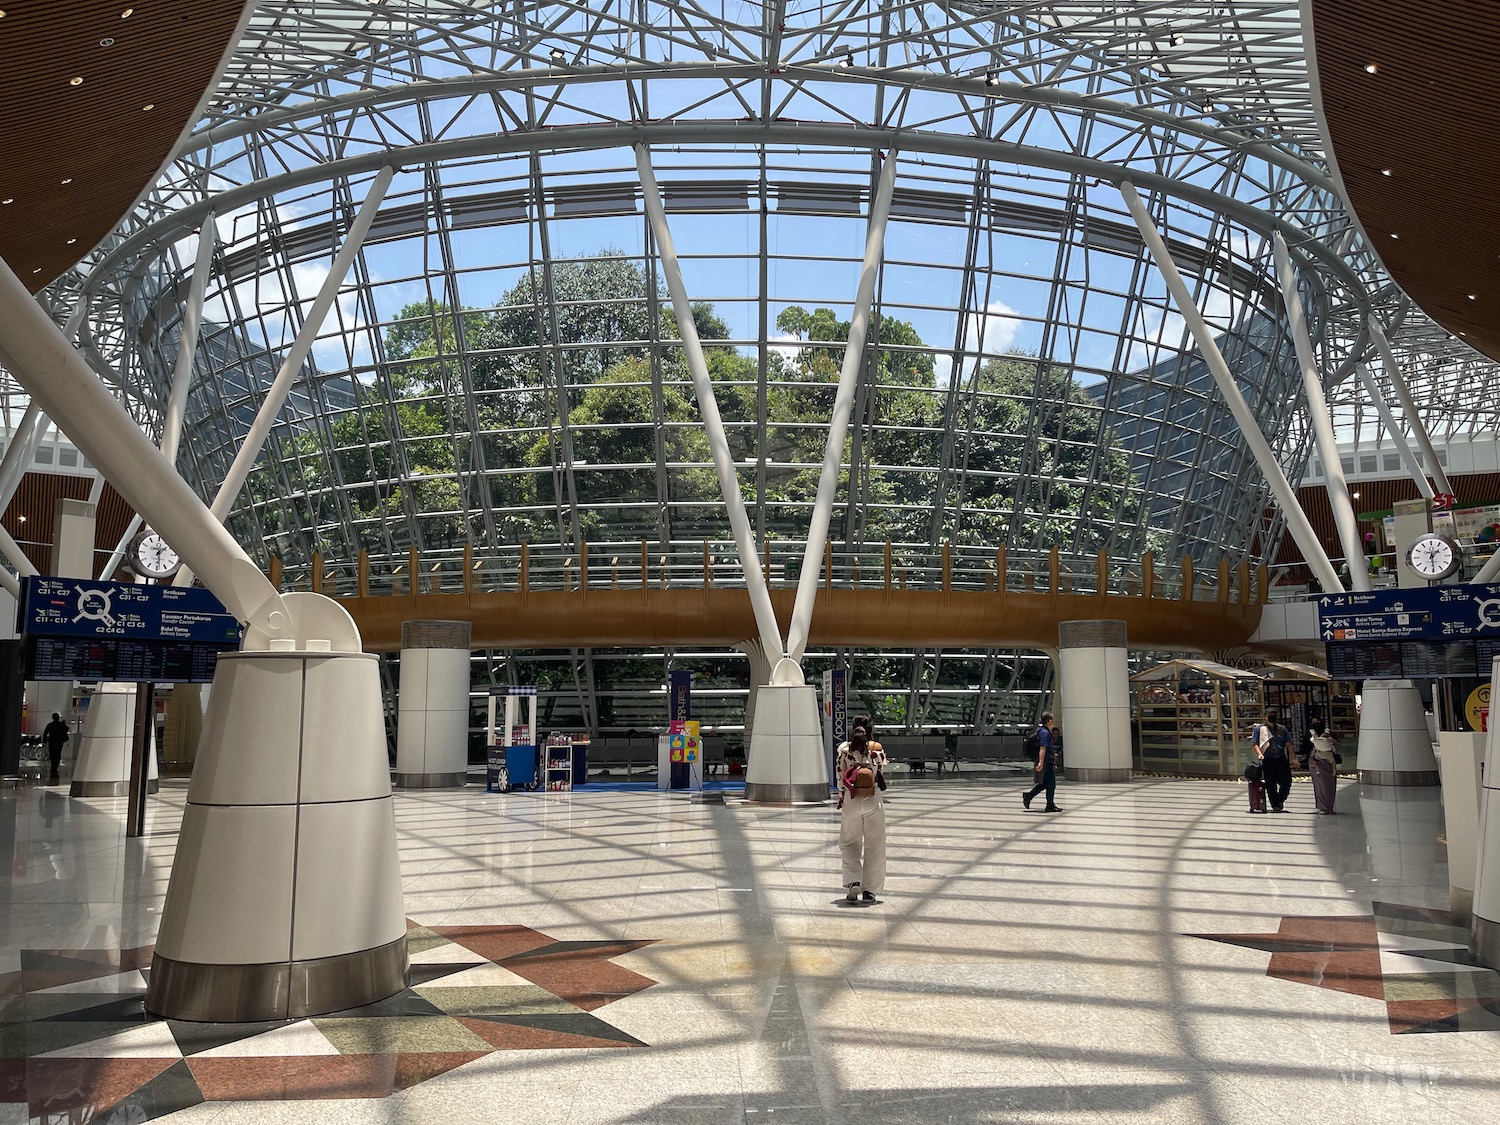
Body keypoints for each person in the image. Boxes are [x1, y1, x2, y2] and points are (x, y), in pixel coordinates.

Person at [836, 716, 887, 904]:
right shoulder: (877, 750)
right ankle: (870, 891)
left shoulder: (843, 750)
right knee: (875, 844)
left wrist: (842, 797)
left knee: (849, 842)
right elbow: (880, 772)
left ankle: (853, 881)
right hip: (873, 800)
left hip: (852, 800)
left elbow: (840, 779)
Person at [1253, 711, 1293, 813]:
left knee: (1286, 782)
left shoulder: (1282, 729)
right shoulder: (1260, 729)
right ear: (1265, 717)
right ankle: (1276, 805)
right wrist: (1259, 754)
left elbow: (1288, 744)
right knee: (1270, 784)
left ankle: (1280, 799)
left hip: (1280, 758)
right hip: (1267, 759)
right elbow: (1255, 743)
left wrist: (1293, 758)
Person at [1021, 711, 1061, 812]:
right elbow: (1042, 748)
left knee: (1046, 783)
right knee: (1050, 784)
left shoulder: (1042, 731)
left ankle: (1030, 796)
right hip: (1047, 762)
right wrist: (1041, 762)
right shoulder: (1045, 733)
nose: (1053, 722)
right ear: (1049, 721)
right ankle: (1049, 805)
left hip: (1047, 761)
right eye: (1052, 720)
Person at [1307, 718, 1340, 814]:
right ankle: (1323, 806)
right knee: (1319, 785)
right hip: (1316, 761)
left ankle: (1328, 806)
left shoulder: (1329, 735)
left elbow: (1337, 746)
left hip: (1328, 761)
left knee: (1328, 785)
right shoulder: (1310, 735)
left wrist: (1332, 741)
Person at [42, 712, 70, 785]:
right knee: (58, 753)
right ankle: (55, 765)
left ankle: (53, 765)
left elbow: (45, 733)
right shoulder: (61, 724)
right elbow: (67, 729)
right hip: (59, 741)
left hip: (52, 741)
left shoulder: (50, 725)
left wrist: (44, 740)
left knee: (52, 753)